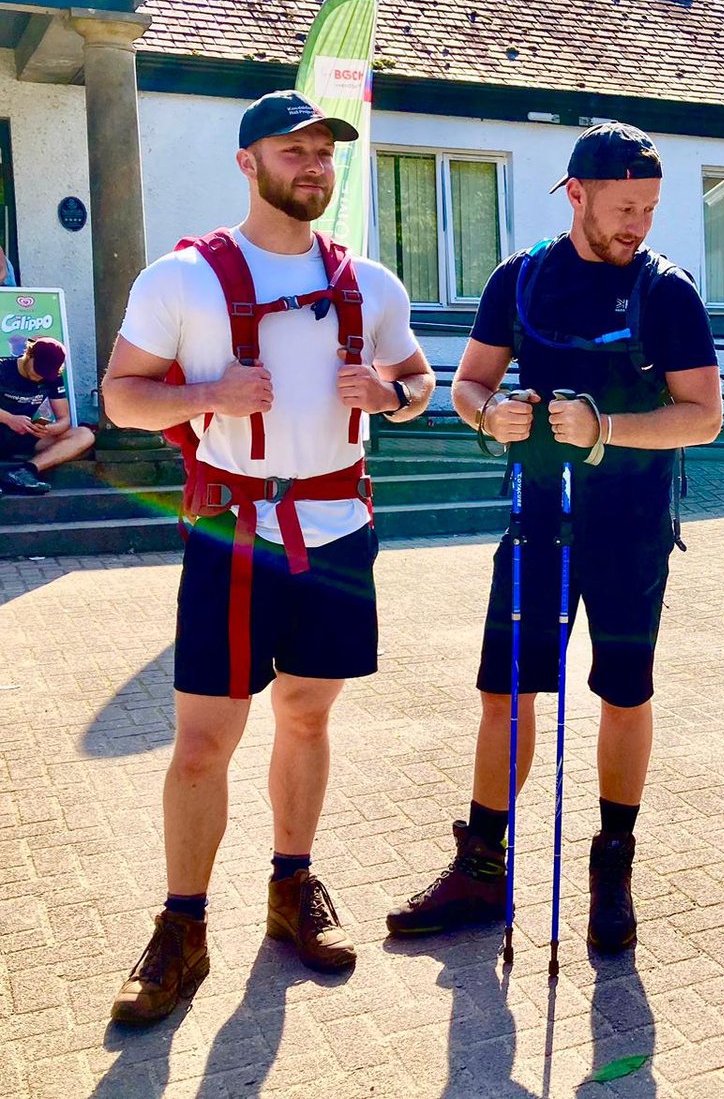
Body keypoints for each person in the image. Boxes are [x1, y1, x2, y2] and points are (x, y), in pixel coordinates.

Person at [100, 90, 435, 1025]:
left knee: (308, 719)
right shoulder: (181, 279)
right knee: (204, 744)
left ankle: (292, 890)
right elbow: (121, 398)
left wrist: (392, 394)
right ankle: (182, 926)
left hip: (337, 535)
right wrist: (209, 391)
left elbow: (417, 384)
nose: (315, 166)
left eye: (325, 152)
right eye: (295, 151)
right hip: (230, 534)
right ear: (248, 164)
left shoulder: (371, 283)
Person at [386, 123, 721, 954]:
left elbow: (703, 416)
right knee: (508, 691)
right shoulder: (521, 279)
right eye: (622, 208)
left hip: (632, 527)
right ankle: (482, 863)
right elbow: (466, 383)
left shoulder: (668, 292)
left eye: (648, 208)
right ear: (575, 194)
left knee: (623, 691)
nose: (637, 225)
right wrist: (487, 415)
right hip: (536, 521)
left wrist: (604, 427)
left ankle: (613, 863)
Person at [0, 337, 94, 494]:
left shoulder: (53, 377)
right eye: (38, 370)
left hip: (24, 437)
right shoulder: (3, 367)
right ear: (29, 354)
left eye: (46, 374)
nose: (40, 377)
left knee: (84, 435)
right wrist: (9, 419)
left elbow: (64, 420)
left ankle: (24, 472)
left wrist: (50, 429)